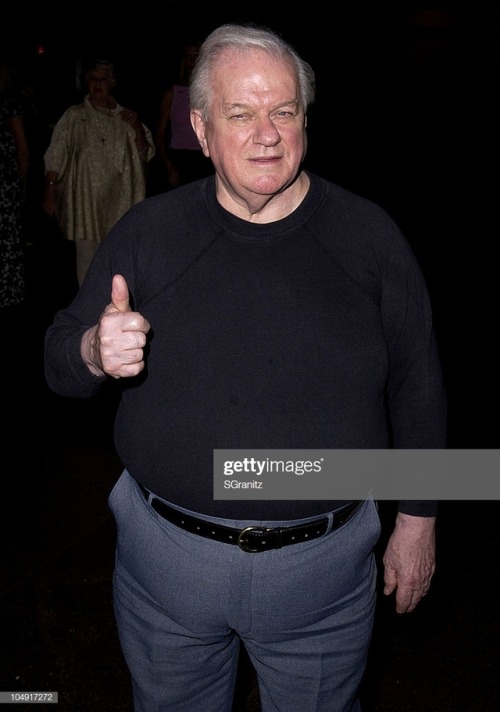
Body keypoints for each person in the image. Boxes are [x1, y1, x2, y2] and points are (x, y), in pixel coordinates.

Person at [44, 23, 447, 712]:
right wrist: (93, 351)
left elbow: (420, 380)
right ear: (200, 128)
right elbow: (57, 359)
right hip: (165, 564)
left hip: (322, 572)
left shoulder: (369, 236)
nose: (268, 134)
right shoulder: (149, 232)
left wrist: (420, 518)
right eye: (242, 114)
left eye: (284, 112)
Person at [42, 59, 155, 286]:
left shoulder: (126, 118)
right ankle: (87, 313)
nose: (98, 85)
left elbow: (145, 155)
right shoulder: (75, 116)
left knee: (118, 260)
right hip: (86, 202)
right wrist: (50, 190)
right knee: (86, 258)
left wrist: (137, 129)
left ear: (111, 83)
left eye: (102, 79)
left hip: (120, 202)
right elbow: (56, 153)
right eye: (93, 79)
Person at [153, 41, 212, 189]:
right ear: (183, 60)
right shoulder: (172, 93)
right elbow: (159, 136)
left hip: (204, 158)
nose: (192, 60)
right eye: (188, 56)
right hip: (178, 159)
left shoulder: (210, 92)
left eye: (195, 56)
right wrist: (169, 167)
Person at [0, 54, 29, 312]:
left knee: (7, 243)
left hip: (5, 188)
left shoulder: (8, 103)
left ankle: (9, 298)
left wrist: (19, 185)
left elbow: (23, 150)